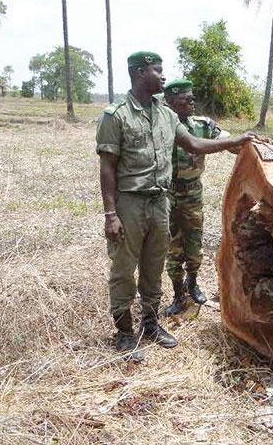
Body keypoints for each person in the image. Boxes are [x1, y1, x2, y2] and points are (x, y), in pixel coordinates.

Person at [96, 52, 252, 363]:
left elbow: (194, 144)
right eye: (158, 70)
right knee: (124, 269)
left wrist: (234, 142)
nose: (163, 76)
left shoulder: (166, 115)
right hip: (129, 203)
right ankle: (125, 332)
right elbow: (107, 168)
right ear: (141, 73)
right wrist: (110, 214)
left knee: (154, 267)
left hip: (160, 203)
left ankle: (151, 325)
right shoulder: (116, 116)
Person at [161, 78, 230, 316]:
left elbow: (226, 140)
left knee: (194, 242)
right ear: (169, 102)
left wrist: (247, 143)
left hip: (192, 194)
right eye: (185, 98)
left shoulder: (203, 125)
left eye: (192, 97)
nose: (192, 102)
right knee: (173, 247)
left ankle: (193, 284)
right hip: (167, 195)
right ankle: (178, 294)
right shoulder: (160, 126)